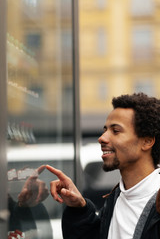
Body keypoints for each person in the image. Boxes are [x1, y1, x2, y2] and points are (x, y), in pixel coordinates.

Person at [46, 93, 160, 239]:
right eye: (105, 129)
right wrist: (79, 208)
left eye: (116, 131)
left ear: (147, 141)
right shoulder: (116, 197)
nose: (102, 138)